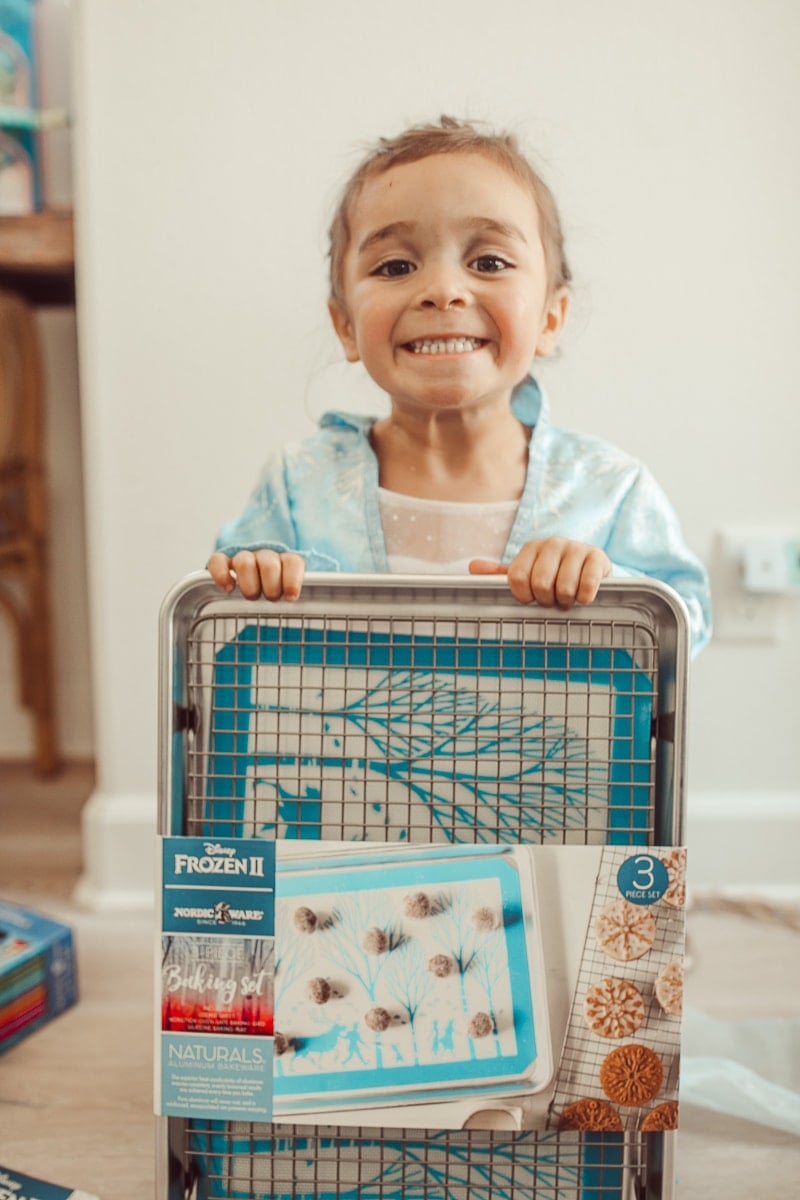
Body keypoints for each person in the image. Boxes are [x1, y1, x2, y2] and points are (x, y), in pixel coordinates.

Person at [208, 116, 711, 655]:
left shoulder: (611, 490)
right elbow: (217, 632)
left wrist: (613, 589)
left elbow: (687, 627)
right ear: (346, 327)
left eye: (489, 261)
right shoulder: (298, 486)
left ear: (550, 318)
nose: (443, 291)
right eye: (396, 266)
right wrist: (249, 586)